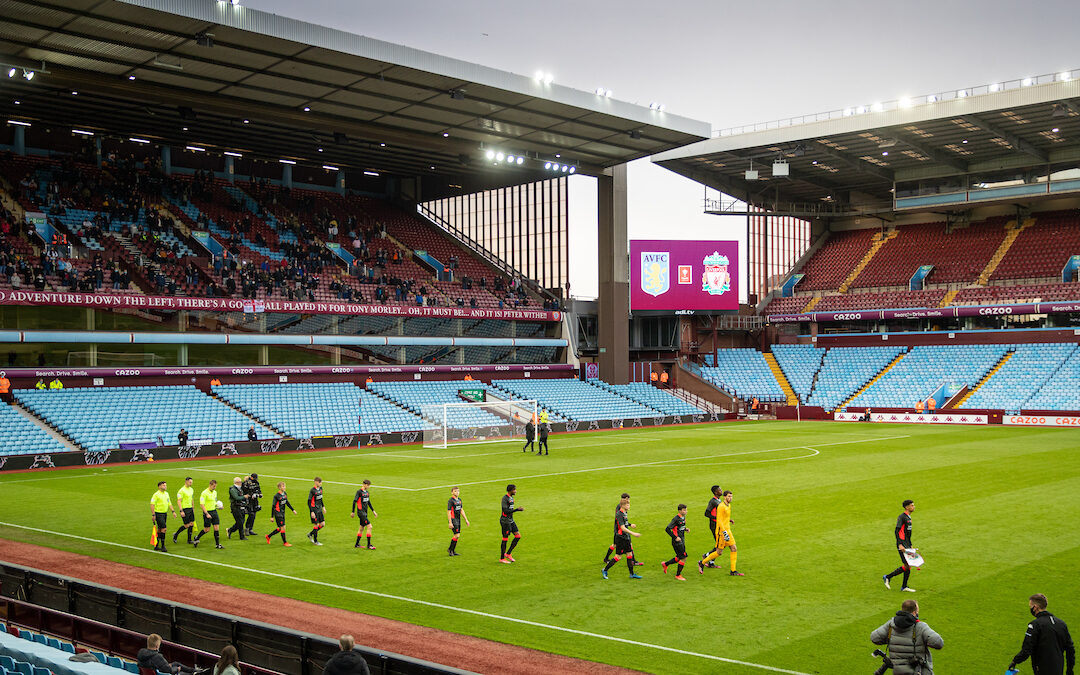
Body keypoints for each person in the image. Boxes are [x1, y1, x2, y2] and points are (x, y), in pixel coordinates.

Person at [1007, 593, 1075, 675]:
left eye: (1030, 607)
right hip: (1058, 670)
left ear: (1035, 607)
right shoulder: (1061, 624)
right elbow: (1070, 649)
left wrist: (1015, 661)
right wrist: (1070, 669)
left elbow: (1027, 649)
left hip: (1041, 670)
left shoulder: (1035, 625)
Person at [870, 599, 943, 675]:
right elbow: (938, 643)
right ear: (914, 612)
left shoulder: (891, 624)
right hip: (919, 671)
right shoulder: (920, 626)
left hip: (898, 672)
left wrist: (891, 639)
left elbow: (874, 638)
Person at [698, 490, 743, 576]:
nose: (730, 498)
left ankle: (733, 571)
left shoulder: (728, 505)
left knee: (734, 548)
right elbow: (719, 520)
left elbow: (724, 518)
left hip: (728, 530)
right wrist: (724, 532)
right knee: (719, 552)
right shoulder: (721, 506)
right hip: (721, 532)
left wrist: (729, 521)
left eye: (731, 496)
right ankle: (702, 562)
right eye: (729, 496)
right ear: (724, 497)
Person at [602, 495, 642, 579]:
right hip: (620, 538)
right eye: (627, 505)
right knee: (618, 557)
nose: (629, 506)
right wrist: (633, 533)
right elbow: (622, 527)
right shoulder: (619, 514)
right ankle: (605, 570)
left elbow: (625, 523)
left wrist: (631, 525)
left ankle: (632, 574)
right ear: (623, 506)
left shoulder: (625, 513)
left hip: (626, 537)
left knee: (629, 554)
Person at [883, 499, 917, 592]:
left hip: (907, 544)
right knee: (907, 565)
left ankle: (903, 586)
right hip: (902, 544)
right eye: (912, 505)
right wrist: (900, 544)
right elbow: (897, 531)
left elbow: (907, 533)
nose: (913, 507)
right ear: (907, 507)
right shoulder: (902, 517)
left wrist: (910, 545)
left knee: (908, 564)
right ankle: (888, 577)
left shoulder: (909, 517)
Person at [661, 504, 689, 581]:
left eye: (686, 510)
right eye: (684, 510)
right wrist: (675, 537)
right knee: (684, 557)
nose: (686, 511)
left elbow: (679, 527)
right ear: (679, 511)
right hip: (677, 542)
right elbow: (667, 529)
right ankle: (678, 575)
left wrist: (685, 529)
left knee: (679, 557)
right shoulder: (675, 519)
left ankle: (665, 564)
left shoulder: (683, 517)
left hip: (681, 540)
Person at [193, 479, 223, 548]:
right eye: (214, 486)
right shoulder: (204, 493)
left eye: (215, 486)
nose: (215, 487)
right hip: (207, 512)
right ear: (210, 485)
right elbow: (202, 504)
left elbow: (214, 502)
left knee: (216, 528)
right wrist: (206, 514)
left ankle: (217, 544)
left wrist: (219, 507)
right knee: (207, 530)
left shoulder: (215, 492)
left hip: (214, 512)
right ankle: (197, 538)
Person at [266, 482, 297, 546]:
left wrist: (293, 510)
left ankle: (268, 536)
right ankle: (285, 542)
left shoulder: (285, 494)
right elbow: (273, 506)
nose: (284, 487)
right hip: (278, 513)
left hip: (282, 513)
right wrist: (272, 517)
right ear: (279, 487)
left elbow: (287, 502)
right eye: (283, 486)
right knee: (283, 527)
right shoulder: (276, 496)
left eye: (284, 486)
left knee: (280, 528)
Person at [150, 481, 178, 552]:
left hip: (164, 514)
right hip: (158, 514)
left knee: (160, 529)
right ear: (159, 486)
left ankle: (156, 545)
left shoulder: (166, 494)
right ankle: (163, 546)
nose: (165, 486)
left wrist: (173, 511)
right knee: (164, 529)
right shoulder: (156, 495)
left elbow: (169, 503)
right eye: (163, 485)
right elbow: (152, 504)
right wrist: (153, 514)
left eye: (166, 485)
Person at [499, 484, 523, 563]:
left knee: (518, 536)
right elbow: (505, 511)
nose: (516, 491)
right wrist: (516, 510)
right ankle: (502, 558)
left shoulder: (511, 498)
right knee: (505, 539)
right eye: (514, 490)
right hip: (505, 521)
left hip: (511, 520)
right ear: (511, 490)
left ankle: (508, 554)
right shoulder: (505, 499)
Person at [350, 479, 378, 549]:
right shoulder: (359, 492)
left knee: (361, 528)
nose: (369, 487)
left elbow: (368, 502)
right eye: (368, 485)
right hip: (361, 513)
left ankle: (357, 544)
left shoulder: (367, 493)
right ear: (364, 484)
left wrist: (373, 511)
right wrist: (353, 512)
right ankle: (369, 545)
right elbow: (354, 501)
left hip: (365, 513)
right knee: (370, 527)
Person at [701, 485, 723, 568]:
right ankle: (707, 556)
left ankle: (711, 562)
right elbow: (706, 513)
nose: (721, 491)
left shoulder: (719, 500)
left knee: (720, 544)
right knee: (720, 544)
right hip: (714, 525)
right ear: (715, 492)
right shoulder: (713, 501)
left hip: (719, 525)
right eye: (719, 490)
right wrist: (716, 518)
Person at [446, 486, 469, 556]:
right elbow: (448, 511)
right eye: (455, 491)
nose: (457, 492)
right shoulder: (451, 501)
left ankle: (452, 550)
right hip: (453, 519)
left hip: (458, 519)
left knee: (457, 535)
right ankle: (450, 549)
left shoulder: (459, 500)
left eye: (458, 491)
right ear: (452, 492)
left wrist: (466, 519)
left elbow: (461, 510)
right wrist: (450, 522)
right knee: (457, 535)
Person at [172, 477, 196, 545]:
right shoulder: (181, 490)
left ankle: (189, 540)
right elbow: (179, 501)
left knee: (191, 524)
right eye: (190, 482)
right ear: (186, 481)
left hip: (190, 508)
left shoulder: (191, 489)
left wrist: (193, 507)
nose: (191, 483)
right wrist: (181, 510)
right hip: (185, 509)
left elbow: (192, 498)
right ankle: (176, 534)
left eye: (192, 482)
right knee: (187, 525)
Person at [307, 477, 326, 545]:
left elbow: (320, 499)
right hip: (314, 510)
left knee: (322, 524)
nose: (321, 483)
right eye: (320, 482)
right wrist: (311, 511)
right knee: (316, 525)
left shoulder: (321, 489)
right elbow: (308, 502)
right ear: (316, 482)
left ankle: (310, 534)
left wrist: (323, 507)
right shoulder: (312, 490)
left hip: (319, 509)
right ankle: (315, 541)